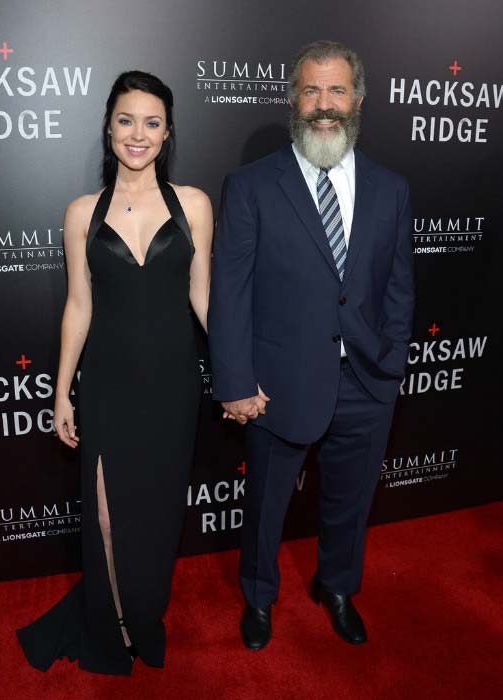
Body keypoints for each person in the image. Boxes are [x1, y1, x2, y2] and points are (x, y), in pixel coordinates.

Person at [208, 40, 414, 650]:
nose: (325, 105)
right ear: (292, 100)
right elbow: (230, 293)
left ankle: (338, 587)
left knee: (350, 505)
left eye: (338, 90)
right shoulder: (249, 186)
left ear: (358, 99)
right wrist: (237, 381)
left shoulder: (391, 188)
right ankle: (259, 597)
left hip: (366, 382)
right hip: (277, 382)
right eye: (311, 90)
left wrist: (392, 363)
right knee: (266, 505)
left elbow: (398, 288)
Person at [17, 70, 213, 675]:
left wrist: (237, 372)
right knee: (104, 510)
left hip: (173, 386)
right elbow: (79, 305)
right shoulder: (81, 212)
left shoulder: (195, 204)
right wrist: (61, 390)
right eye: (126, 120)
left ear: (167, 132)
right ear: (108, 128)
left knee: (156, 517)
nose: (138, 134)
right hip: (106, 384)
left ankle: (142, 617)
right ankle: (110, 624)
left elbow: (204, 299)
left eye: (151, 123)